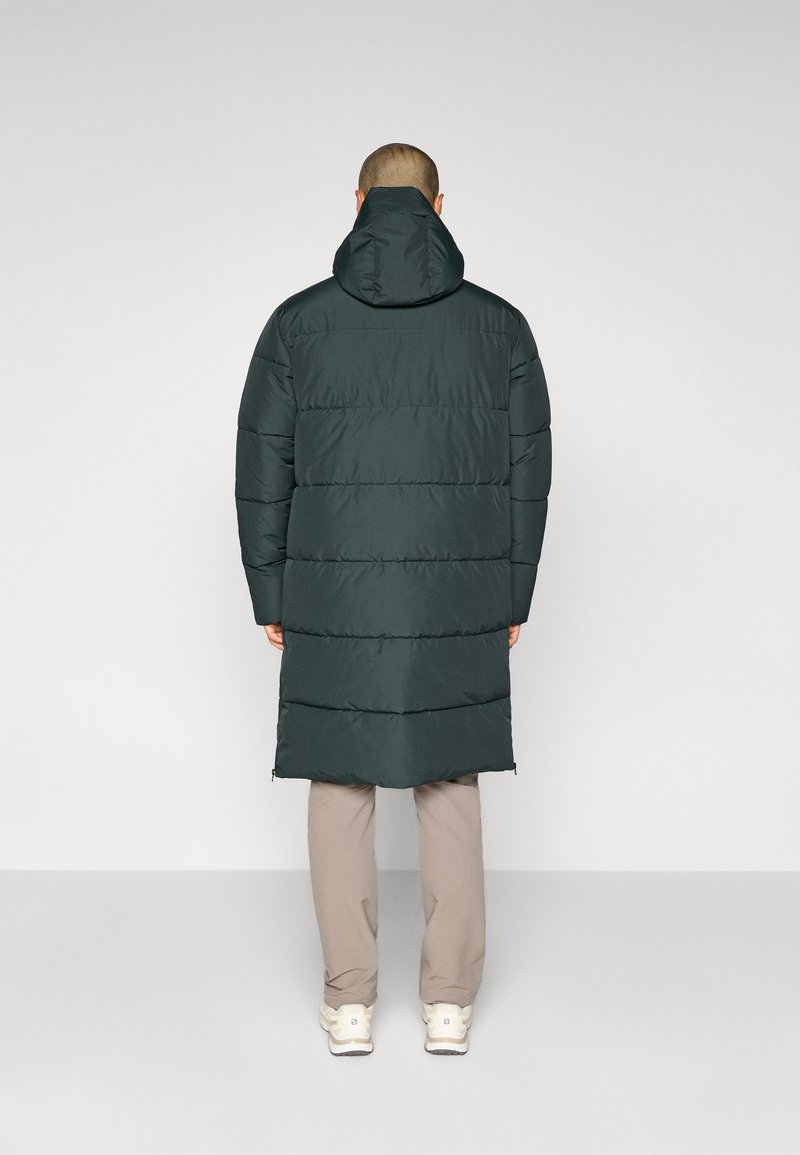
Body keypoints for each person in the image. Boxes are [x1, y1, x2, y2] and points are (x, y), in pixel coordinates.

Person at [235, 143, 552, 1056]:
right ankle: (449, 1004)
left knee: (341, 777)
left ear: (359, 201)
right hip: (458, 586)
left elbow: (262, 463)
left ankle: (349, 1003)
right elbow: (528, 473)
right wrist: (513, 591)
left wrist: (269, 586)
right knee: (450, 778)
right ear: (439, 205)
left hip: (332, 584)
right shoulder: (500, 327)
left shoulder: (298, 324)